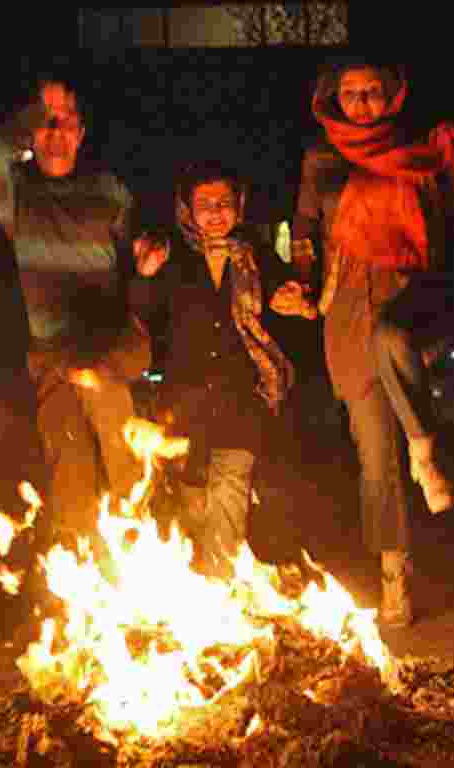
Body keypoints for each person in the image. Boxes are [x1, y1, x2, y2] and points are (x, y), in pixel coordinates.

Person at [288, 2, 454, 626]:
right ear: (332, 100)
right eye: (350, 94)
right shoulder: (320, 160)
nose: (362, 103)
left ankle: (425, 446)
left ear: (392, 96)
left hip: (410, 286)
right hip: (344, 304)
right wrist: (301, 285)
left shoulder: (422, 148)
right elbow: (305, 232)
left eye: (372, 92)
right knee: (373, 456)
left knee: (394, 339)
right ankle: (395, 574)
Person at [0, 77, 151, 550]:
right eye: (46, 124)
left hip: (104, 346)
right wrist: (33, 113)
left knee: (124, 458)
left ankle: (140, 568)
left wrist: (149, 264)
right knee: (68, 466)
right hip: (50, 352)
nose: (56, 132)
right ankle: (84, 590)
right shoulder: (19, 197)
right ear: (31, 132)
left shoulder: (108, 190)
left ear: (82, 132)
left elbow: (136, 260)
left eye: (66, 122)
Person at [129, 160, 308, 578]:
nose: (215, 212)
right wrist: (144, 276)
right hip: (184, 400)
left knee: (231, 484)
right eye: (204, 203)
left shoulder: (256, 255)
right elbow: (143, 314)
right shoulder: (170, 257)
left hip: (242, 396)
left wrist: (291, 299)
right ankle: (193, 580)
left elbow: (285, 297)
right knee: (193, 496)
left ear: (239, 206)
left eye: (224, 202)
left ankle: (220, 586)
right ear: (187, 210)